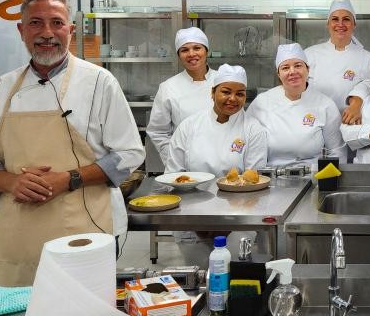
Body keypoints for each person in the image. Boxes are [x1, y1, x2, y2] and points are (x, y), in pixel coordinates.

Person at [0, 0, 144, 286]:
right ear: (21, 30)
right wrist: (12, 182)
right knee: (15, 314)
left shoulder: (99, 82)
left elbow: (129, 154)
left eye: (57, 23)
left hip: (87, 228)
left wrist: (68, 179)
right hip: (19, 232)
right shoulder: (2, 88)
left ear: (70, 30)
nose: (47, 33)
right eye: (36, 23)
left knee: (82, 313)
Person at [168, 63, 268, 265]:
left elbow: (253, 182)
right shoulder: (189, 126)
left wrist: (226, 222)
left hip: (237, 221)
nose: (233, 98)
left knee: (233, 275)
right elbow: (174, 176)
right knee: (198, 277)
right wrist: (197, 221)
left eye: (240, 94)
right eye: (226, 91)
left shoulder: (253, 130)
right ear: (212, 93)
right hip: (192, 220)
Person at [247, 43, 345, 166]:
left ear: (308, 69)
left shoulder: (325, 105)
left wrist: (329, 177)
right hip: (270, 174)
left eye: (298, 65)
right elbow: (248, 143)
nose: (292, 72)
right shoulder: (261, 102)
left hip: (313, 174)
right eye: (285, 68)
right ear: (278, 74)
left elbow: (337, 151)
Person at [145, 27, 215, 172]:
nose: (191, 54)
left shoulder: (223, 81)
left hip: (223, 164)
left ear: (206, 51)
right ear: (179, 55)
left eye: (197, 48)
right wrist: (175, 160)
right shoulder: (168, 87)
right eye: (184, 50)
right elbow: (158, 132)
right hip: (184, 168)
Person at [304, 0, 370, 117]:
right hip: (315, 120)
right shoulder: (309, 54)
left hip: (351, 123)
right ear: (328, 24)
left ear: (354, 24)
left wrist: (358, 101)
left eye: (346, 19)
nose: (340, 24)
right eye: (335, 19)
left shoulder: (368, 58)